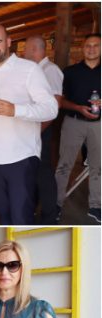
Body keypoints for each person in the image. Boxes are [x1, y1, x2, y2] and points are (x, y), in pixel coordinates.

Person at [0, 24, 59, 224]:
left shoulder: (29, 70)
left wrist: (16, 110)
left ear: (9, 42)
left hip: (20, 158)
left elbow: (51, 108)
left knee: (21, 217)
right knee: (2, 213)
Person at [55, 33, 101, 223]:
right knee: (64, 165)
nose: (91, 49)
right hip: (73, 122)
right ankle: (56, 205)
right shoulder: (70, 72)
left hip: (98, 125)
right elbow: (60, 101)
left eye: (96, 45)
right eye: (88, 45)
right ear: (82, 48)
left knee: (98, 167)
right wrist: (78, 108)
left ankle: (96, 206)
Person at [23, 36, 64, 225]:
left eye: (25, 49)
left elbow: (55, 104)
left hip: (41, 129)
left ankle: (49, 216)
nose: (23, 52)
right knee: (34, 172)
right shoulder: (35, 70)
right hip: (32, 128)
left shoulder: (50, 70)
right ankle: (34, 209)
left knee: (44, 173)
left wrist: (37, 131)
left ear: (34, 49)